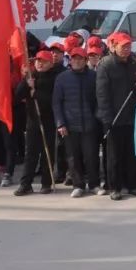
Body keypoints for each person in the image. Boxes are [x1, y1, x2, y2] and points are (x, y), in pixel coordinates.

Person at [97, 33, 136, 201]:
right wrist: (107, 118)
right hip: (114, 118)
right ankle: (114, 187)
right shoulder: (106, 65)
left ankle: (133, 185)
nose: (126, 49)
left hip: (132, 116)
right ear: (114, 46)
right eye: (123, 46)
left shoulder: (134, 63)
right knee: (114, 155)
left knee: (131, 154)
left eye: (128, 46)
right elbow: (102, 94)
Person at [53, 48, 100, 197]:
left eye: (80, 58)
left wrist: (97, 119)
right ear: (70, 60)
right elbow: (56, 103)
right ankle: (78, 185)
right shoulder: (62, 78)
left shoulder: (93, 76)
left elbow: (99, 99)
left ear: (85, 60)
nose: (77, 61)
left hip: (89, 124)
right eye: (74, 58)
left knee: (91, 156)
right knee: (73, 157)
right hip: (70, 125)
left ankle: (94, 184)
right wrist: (60, 123)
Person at [14, 50, 62, 195]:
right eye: (38, 61)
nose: (40, 64)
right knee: (31, 153)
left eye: (43, 61)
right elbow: (18, 95)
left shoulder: (55, 78)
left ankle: (46, 183)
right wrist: (25, 83)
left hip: (48, 120)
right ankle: (25, 184)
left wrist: (36, 93)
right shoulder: (31, 76)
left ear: (50, 63)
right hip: (33, 120)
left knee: (47, 152)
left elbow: (53, 100)